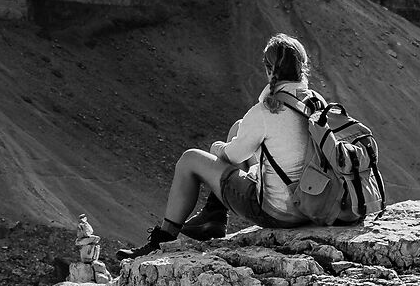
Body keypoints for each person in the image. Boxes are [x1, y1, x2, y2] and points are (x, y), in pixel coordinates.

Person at [124, 33, 317, 258]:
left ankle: (162, 240)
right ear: (302, 67)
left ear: (269, 69)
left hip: (279, 212)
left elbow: (233, 156)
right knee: (239, 127)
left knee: (189, 159)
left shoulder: (267, 110)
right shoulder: (315, 102)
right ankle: (214, 215)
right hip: (311, 204)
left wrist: (217, 148)